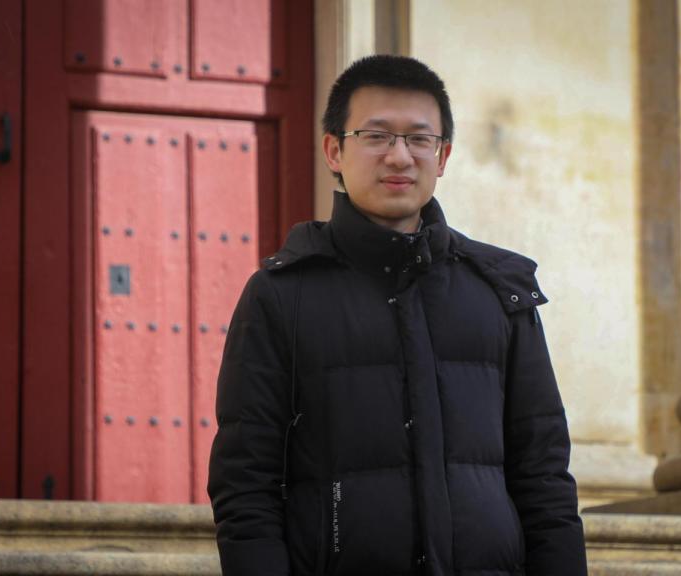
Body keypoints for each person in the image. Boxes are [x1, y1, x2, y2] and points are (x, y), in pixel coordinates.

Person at [208, 54, 587, 576]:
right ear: (334, 150)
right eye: (377, 136)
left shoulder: (502, 291)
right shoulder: (280, 296)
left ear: (444, 154)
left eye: (419, 138)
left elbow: (544, 476)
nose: (399, 156)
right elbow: (244, 483)